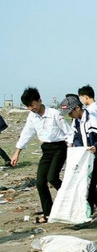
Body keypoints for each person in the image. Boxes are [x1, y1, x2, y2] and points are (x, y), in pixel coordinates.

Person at [11, 88, 71, 223]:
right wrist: (17, 153)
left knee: (52, 178)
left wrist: (73, 148)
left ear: (39, 101)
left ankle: (70, 201)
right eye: (28, 106)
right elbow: (27, 133)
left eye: (32, 105)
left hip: (60, 148)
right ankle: (48, 213)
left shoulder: (55, 113)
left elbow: (68, 132)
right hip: (46, 149)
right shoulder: (32, 116)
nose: (31, 108)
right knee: (40, 182)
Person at [59, 95, 97, 222]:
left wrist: (95, 147)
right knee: (85, 187)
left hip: (96, 158)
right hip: (85, 159)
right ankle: (94, 212)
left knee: (88, 188)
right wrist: (77, 148)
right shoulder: (76, 122)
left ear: (77, 108)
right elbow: (77, 139)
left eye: (70, 112)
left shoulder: (92, 120)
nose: (69, 116)